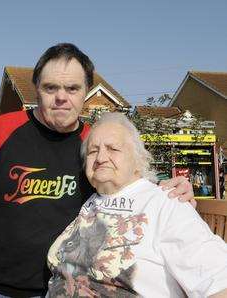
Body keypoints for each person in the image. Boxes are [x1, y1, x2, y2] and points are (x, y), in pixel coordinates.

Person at [0, 43, 195, 297]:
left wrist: (167, 191)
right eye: (51, 87)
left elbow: (126, 187)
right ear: (37, 90)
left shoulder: (93, 145)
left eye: (72, 88)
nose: (61, 97)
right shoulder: (1, 130)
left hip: (58, 289)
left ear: (85, 91)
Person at [47, 112, 227, 297]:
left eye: (113, 149)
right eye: (93, 151)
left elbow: (217, 280)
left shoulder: (166, 202)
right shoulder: (91, 200)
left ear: (138, 160)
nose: (100, 158)